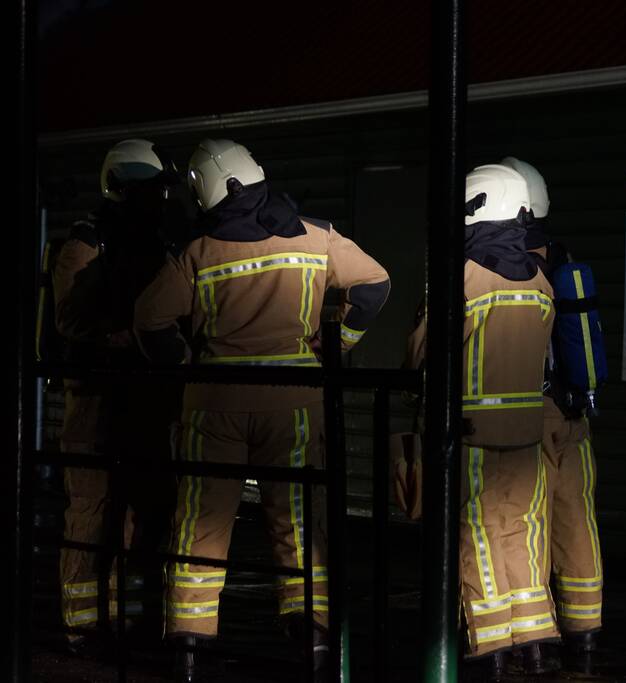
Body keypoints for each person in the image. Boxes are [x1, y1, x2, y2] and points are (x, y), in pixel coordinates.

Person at [133, 138, 389, 682]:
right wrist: (337, 345)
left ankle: (189, 646)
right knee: (298, 519)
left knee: (201, 520)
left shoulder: (196, 250)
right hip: (294, 403)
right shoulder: (317, 235)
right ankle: (312, 638)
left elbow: (149, 319)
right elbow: (374, 285)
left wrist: (183, 366)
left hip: (214, 404)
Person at [408, 164, 559, 679]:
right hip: (528, 436)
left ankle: (490, 645)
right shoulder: (541, 279)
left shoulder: (464, 277)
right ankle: (533, 642)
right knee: (523, 532)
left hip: (472, 433)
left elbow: (423, 351)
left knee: (477, 536)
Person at [53, 138, 182, 654]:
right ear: (121, 189)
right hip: (96, 399)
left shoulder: (158, 243)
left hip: (146, 398)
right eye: (150, 190)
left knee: (144, 514)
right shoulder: (88, 243)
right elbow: (69, 319)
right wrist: (126, 336)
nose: (158, 200)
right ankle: (83, 629)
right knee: (91, 512)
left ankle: (133, 624)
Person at [503, 157, 605, 670]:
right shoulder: (563, 259)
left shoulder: (505, 263)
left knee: (528, 522)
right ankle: (584, 632)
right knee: (576, 518)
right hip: (575, 411)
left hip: (531, 411)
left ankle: (533, 640)